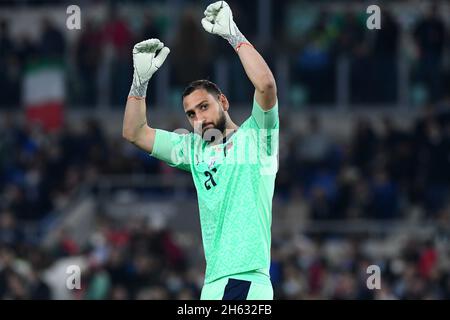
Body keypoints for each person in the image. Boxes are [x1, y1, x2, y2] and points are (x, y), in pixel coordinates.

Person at [122, 1, 278, 300]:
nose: (199, 118)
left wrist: (233, 35)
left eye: (204, 106)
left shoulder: (258, 136)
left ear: (224, 102)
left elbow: (266, 85)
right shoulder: (192, 150)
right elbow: (134, 132)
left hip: (247, 279)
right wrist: (139, 82)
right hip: (212, 284)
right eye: (191, 114)